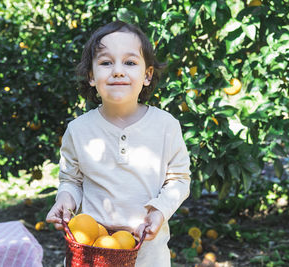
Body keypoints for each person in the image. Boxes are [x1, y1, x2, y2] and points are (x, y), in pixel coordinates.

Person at [46, 20, 191, 267]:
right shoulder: (79, 130)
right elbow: (71, 180)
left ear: (147, 75)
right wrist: (65, 200)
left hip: (147, 252)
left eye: (130, 62)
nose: (118, 71)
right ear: (91, 76)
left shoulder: (166, 126)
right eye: (105, 63)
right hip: (92, 251)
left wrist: (158, 211)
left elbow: (179, 179)